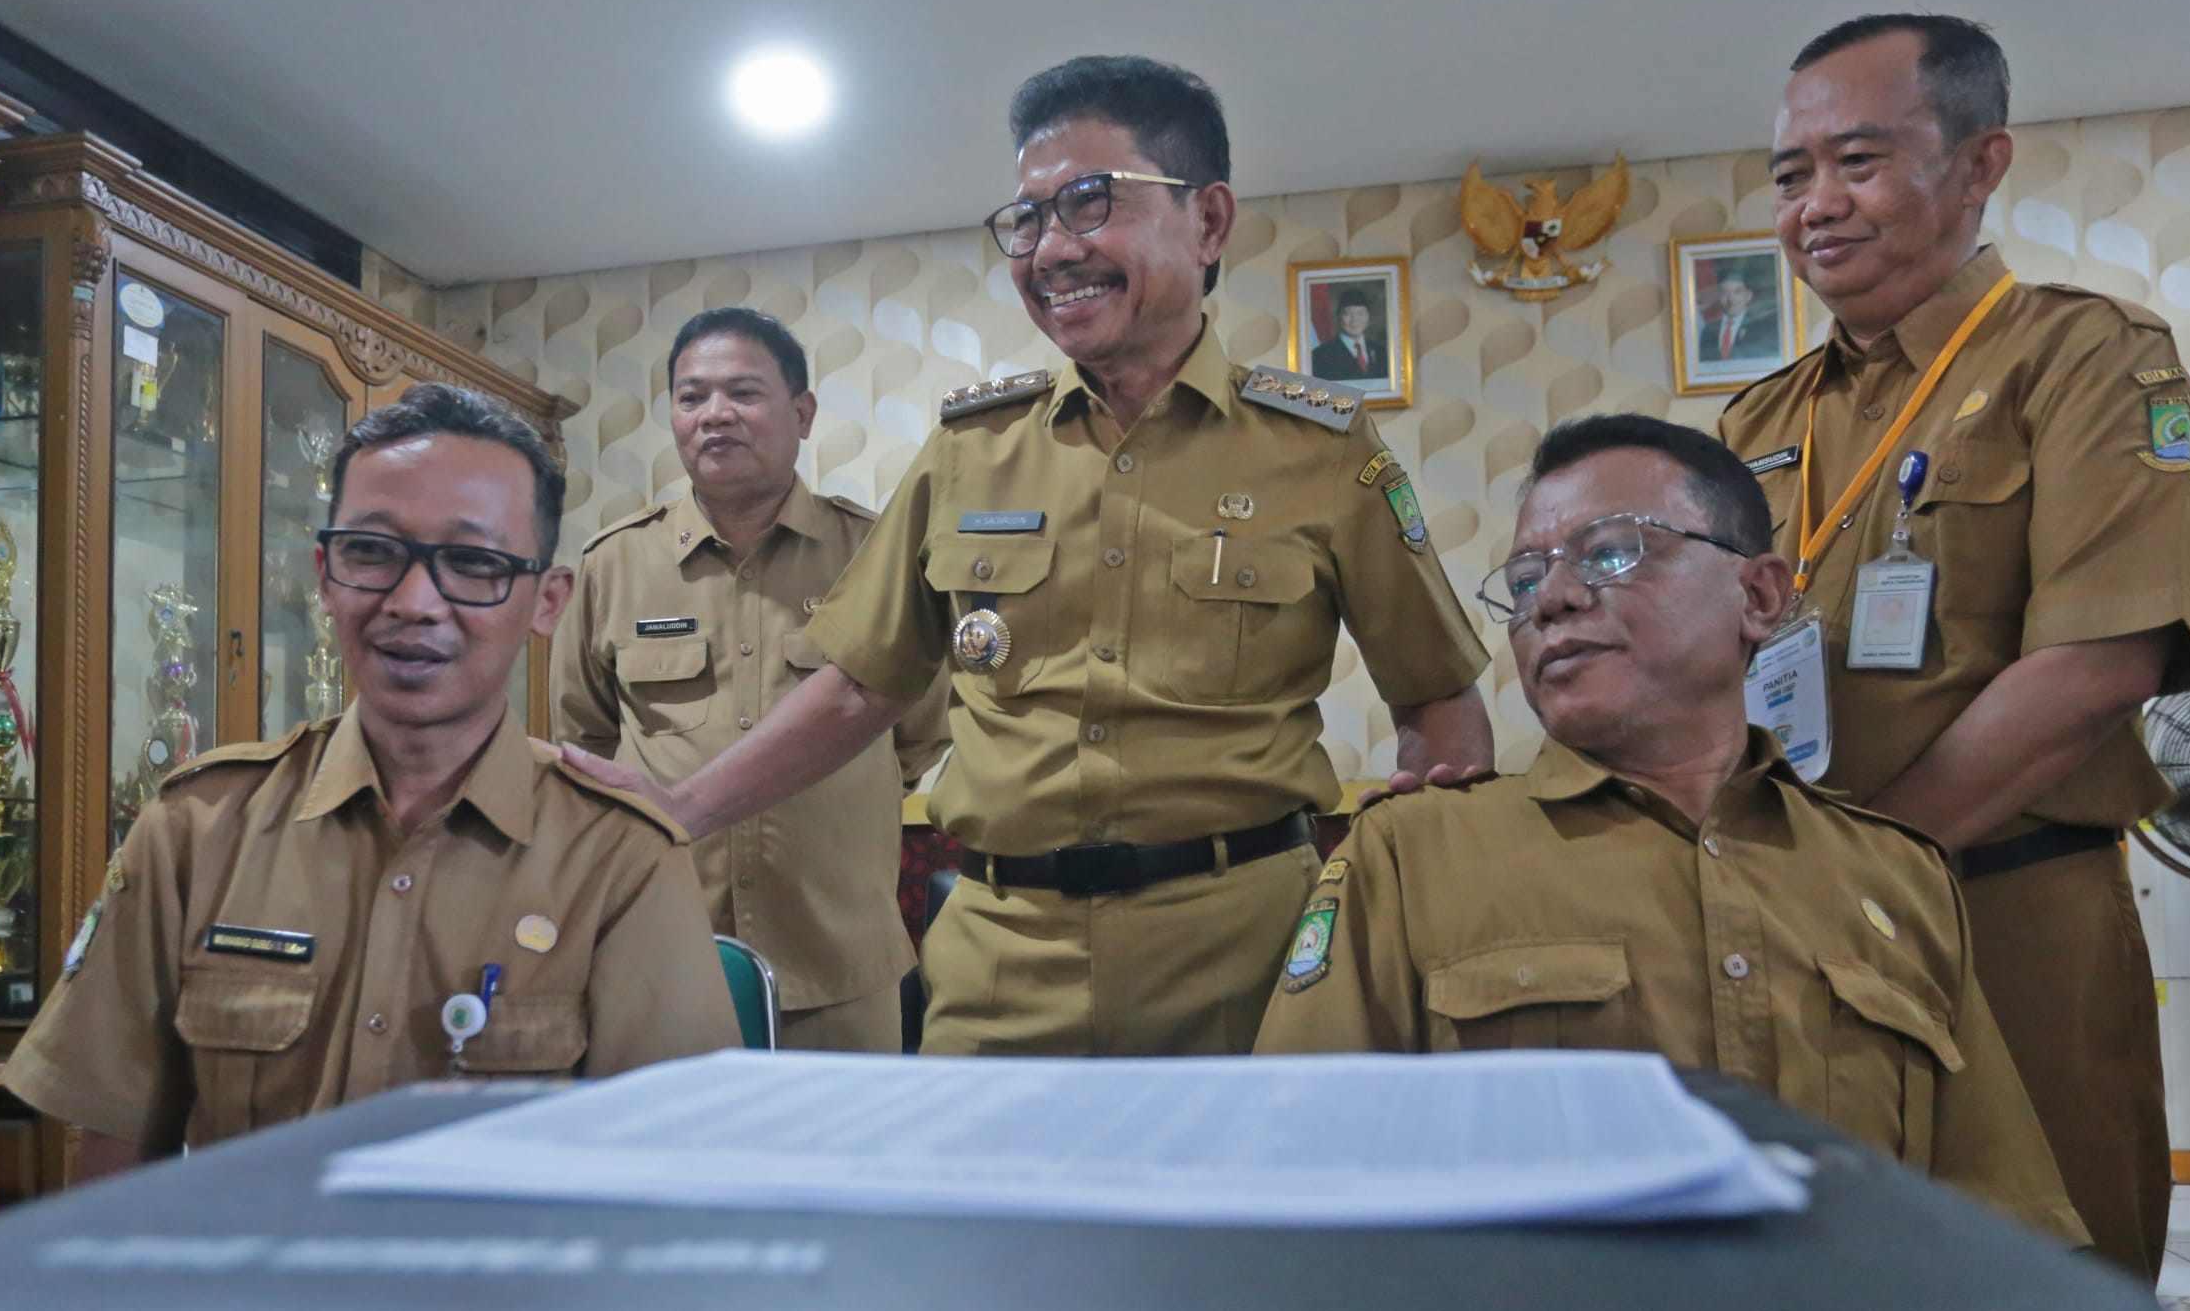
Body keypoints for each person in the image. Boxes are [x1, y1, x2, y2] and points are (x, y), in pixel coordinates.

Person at [566, 54, 1494, 1057]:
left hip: (1248, 959)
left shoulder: (1323, 450)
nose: (1051, 248)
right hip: (1000, 962)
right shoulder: (971, 449)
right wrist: (677, 808)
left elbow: (1437, 699)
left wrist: (1418, 891)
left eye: (1090, 203)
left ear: (1208, 220)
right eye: (1028, 218)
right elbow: (861, 687)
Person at [1255, 414, 2085, 1245]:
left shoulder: (1897, 876)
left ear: (1758, 596)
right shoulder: (1412, 856)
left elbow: (2002, 1220)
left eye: (1610, 552)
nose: (1551, 599)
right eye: (1525, 578)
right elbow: (1293, 1191)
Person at [1716, 14, 2190, 1280]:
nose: (1816, 205)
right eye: (1790, 175)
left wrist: (1865, 866)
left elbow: (2101, 662)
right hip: (1790, 923)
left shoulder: (2084, 356)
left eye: (1858, 161)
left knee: (2046, 1280)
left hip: (2006, 911)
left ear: (1981, 161)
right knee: (1822, 1271)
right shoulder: (1757, 420)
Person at [6, 384, 742, 1172]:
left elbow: (673, 1183)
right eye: (372, 552)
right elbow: (116, 1157)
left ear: (547, 601)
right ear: (325, 575)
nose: (414, 602)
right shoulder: (196, 829)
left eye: (474, 562)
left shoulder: (621, 859)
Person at [553, 308, 950, 1052]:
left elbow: (918, 728)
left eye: (743, 392)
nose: (714, 414)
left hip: (837, 958)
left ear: (802, 414)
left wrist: (837, 787)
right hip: (662, 953)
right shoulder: (614, 564)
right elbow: (587, 738)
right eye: (691, 396)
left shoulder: (873, 554)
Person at [1698, 265, 1778, 363]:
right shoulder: (1708, 330)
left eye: (1737, 292)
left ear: (1748, 296)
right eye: (1725, 292)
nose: (1731, 299)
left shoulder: (1763, 328)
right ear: (1719, 296)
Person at [1310, 289, 1387, 380]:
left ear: (1368, 316)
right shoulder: (1321, 355)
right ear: (1338, 317)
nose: (1354, 320)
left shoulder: (1381, 352)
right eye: (1348, 314)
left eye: (1360, 313)